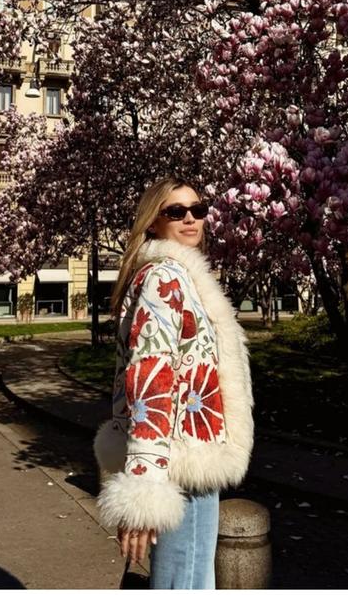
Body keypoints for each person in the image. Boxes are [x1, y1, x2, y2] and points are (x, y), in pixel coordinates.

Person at [95, 177, 254, 589]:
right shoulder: (163, 278)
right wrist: (144, 489)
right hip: (181, 461)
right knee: (185, 583)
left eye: (198, 210)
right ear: (152, 223)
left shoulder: (175, 276)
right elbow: (150, 378)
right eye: (175, 211)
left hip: (181, 456)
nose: (190, 219)